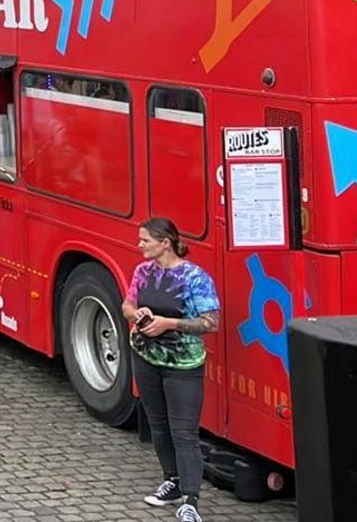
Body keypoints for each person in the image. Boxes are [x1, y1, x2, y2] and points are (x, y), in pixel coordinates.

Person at [124, 217, 220, 522]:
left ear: (165, 242)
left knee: (184, 432)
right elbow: (126, 305)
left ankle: (191, 500)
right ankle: (172, 482)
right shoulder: (143, 272)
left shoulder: (195, 278)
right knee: (158, 424)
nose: (139, 245)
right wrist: (137, 313)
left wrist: (169, 323)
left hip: (183, 366)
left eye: (145, 241)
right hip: (146, 357)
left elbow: (211, 322)